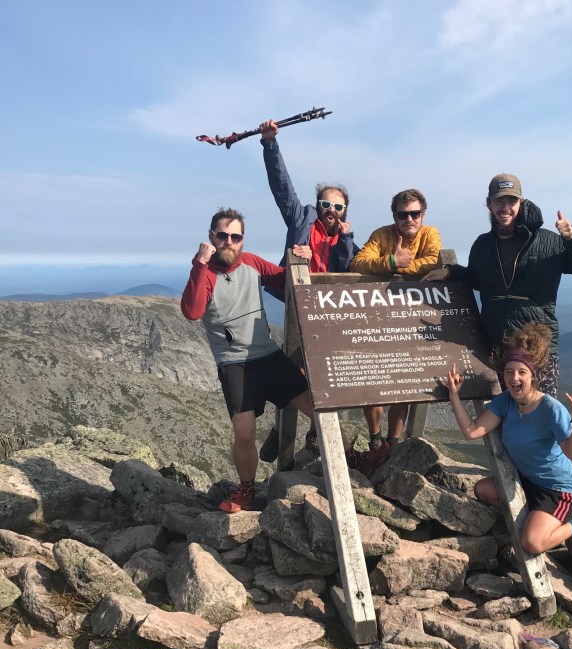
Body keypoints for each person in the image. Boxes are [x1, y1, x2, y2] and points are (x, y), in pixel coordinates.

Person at [181, 207, 316, 513]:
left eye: (236, 237)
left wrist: (303, 259)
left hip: (268, 354)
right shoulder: (205, 273)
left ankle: (350, 460)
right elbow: (192, 312)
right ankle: (246, 490)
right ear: (211, 237)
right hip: (235, 364)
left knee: (318, 409)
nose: (229, 242)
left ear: (242, 240)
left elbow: (285, 279)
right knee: (244, 433)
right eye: (223, 236)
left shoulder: (252, 262)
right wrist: (199, 264)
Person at [425, 173, 572, 396]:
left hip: (538, 345)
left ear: (521, 203)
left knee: (539, 412)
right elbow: (479, 280)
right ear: (488, 204)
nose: (505, 207)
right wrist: (451, 272)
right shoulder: (483, 245)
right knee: (504, 412)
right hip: (497, 345)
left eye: (511, 201)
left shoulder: (547, 240)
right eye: (499, 201)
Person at [445, 322, 572, 569]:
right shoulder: (506, 401)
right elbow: (472, 431)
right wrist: (454, 395)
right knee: (483, 491)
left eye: (521, 372)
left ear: (533, 375)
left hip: (559, 490)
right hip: (528, 481)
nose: (514, 378)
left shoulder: (551, 409)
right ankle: (540, 520)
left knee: (531, 543)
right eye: (509, 372)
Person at [256, 118, 358, 461]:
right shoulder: (301, 220)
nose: (331, 210)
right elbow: (281, 186)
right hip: (297, 309)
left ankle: (309, 434)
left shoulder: (347, 241)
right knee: (295, 369)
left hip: (330, 318)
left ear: (345, 212)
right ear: (318, 205)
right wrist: (270, 144)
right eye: (326, 204)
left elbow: (352, 269)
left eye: (338, 206)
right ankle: (283, 431)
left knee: (324, 373)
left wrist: (346, 240)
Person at [349, 188, 441, 471]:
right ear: (395, 216)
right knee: (372, 380)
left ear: (423, 215)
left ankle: (394, 442)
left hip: (411, 319)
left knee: (404, 380)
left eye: (415, 213)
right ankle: (376, 442)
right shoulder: (381, 234)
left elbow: (434, 259)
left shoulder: (430, 234)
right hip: (377, 318)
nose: (409, 219)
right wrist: (391, 261)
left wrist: (400, 266)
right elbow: (357, 264)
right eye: (403, 214)